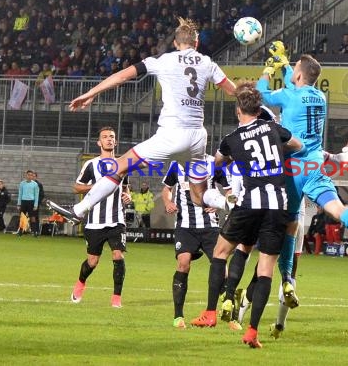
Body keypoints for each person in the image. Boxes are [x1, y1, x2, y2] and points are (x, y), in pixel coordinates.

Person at [46, 17, 236, 223]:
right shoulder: (208, 63)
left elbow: (121, 77)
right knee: (199, 196)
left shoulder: (163, 60)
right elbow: (234, 91)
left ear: (175, 43)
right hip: (198, 137)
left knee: (119, 167)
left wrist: (91, 93)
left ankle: (79, 210)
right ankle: (226, 202)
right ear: (196, 43)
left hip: (171, 134)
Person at [256, 44, 348, 338]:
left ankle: (285, 278)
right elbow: (297, 84)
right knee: (334, 207)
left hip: (290, 169)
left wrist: (268, 71)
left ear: (299, 75)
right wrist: (287, 64)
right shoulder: (319, 96)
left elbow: (262, 95)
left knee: (289, 226)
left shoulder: (288, 94)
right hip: (314, 164)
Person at [190, 82, 303, 349]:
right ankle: (252, 331)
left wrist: (233, 160)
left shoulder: (232, 139)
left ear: (239, 109)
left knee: (220, 252)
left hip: (250, 203)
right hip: (277, 206)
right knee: (265, 269)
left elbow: (217, 162)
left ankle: (210, 313)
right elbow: (296, 146)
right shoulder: (275, 129)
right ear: (259, 108)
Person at [162, 157, 230, 329]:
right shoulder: (177, 164)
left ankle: (230, 313)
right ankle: (178, 316)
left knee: (222, 267)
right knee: (183, 263)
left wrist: (221, 204)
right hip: (185, 226)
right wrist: (168, 201)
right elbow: (166, 189)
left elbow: (229, 190)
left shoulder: (214, 163)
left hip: (210, 226)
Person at [70, 126, 131, 308]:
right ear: (99, 142)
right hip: (95, 222)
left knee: (118, 256)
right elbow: (77, 187)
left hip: (116, 220)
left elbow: (126, 189)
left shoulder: (123, 164)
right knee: (92, 261)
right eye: (105, 137)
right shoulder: (91, 165)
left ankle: (116, 299)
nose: (109, 139)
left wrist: (128, 196)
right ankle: (80, 283)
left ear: (116, 141)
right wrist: (98, 187)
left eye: (112, 137)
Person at [17, 170, 40, 237]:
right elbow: (20, 194)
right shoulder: (22, 183)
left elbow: (36, 195)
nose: (29, 176)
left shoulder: (35, 184)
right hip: (24, 201)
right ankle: (21, 231)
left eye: (31, 175)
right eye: (28, 175)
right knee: (22, 217)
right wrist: (19, 204)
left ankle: (34, 231)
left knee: (32, 217)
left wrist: (35, 205)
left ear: (32, 176)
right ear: (26, 175)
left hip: (31, 202)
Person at [33, 172, 44, 236]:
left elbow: (41, 195)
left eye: (34, 176)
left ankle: (36, 230)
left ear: (36, 177)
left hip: (35, 204)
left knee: (35, 217)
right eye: (32, 176)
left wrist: (37, 202)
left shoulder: (39, 184)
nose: (33, 177)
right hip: (28, 202)